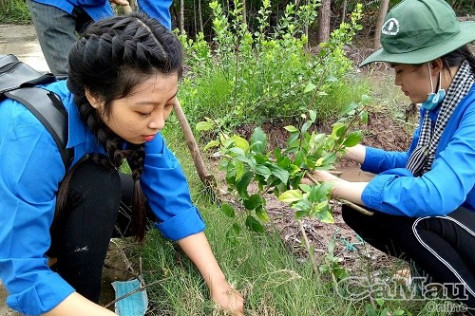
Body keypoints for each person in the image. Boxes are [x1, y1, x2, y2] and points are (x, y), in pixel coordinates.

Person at [0, 13, 244, 315]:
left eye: (168, 105)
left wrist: (217, 282)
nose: (159, 122)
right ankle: (74, 294)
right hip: (10, 209)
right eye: (144, 111)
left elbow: (171, 199)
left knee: (146, 203)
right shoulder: (32, 136)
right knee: (98, 185)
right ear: (95, 96)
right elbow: (24, 276)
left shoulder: (139, 121)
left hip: (49, 192)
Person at [311, 0, 475, 311]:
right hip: (465, 220)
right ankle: (433, 275)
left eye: (400, 70)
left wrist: (333, 187)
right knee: (362, 209)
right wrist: (353, 151)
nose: (397, 81)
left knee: (416, 219)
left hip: (463, 216)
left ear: (435, 65)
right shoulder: (439, 104)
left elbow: (437, 192)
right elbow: (414, 162)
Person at [26, 0, 173, 75]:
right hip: (51, 2)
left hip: (94, 3)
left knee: (116, 63)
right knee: (71, 77)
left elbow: (156, 6)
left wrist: (160, 49)